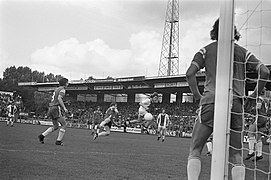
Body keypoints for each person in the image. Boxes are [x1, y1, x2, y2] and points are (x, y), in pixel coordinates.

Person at [186, 19, 269, 180]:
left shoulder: (206, 50)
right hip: (236, 102)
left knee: (195, 149)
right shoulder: (242, 52)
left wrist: (197, 96)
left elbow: (190, 73)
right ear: (234, 32)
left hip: (211, 100)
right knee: (236, 154)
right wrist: (254, 95)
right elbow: (264, 72)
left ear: (215, 31)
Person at [38, 78, 69, 146]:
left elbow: (55, 98)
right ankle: (58, 141)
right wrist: (64, 107)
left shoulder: (56, 89)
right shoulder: (62, 89)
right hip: (55, 108)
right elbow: (59, 98)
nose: (68, 84)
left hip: (51, 107)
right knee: (64, 124)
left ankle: (42, 136)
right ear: (64, 83)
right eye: (67, 83)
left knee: (56, 126)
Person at [245, 88, 269, 162]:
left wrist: (251, 109)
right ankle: (259, 154)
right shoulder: (266, 100)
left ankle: (251, 152)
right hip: (264, 118)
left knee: (250, 133)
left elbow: (257, 108)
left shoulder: (259, 99)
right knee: (258, 136)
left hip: (258, 117)